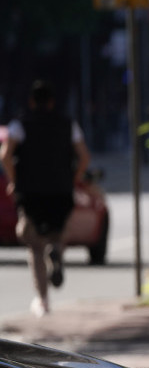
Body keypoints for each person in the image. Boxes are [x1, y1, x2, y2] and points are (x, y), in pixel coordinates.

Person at [0, 80, 91, 317]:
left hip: (31, 192)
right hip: (61, 190)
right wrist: (74, 179)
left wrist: (13, 179)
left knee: (33, 243)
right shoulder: (68, 124)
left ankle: (42, 300)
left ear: (32, 102)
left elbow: (5, 155)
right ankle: (57, 253)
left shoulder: (20, 125)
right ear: (51, 102)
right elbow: (84, 157)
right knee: (57, 234)